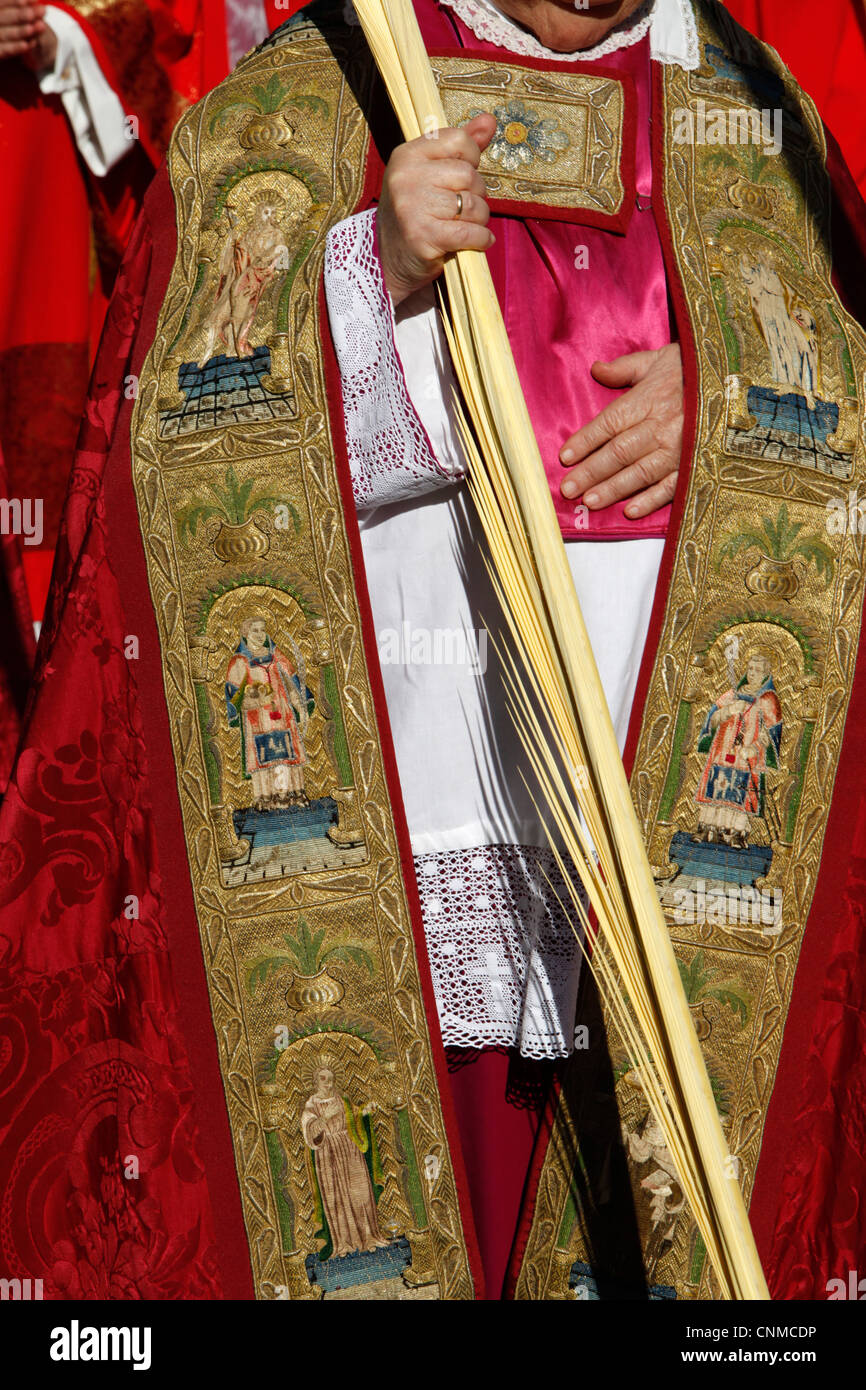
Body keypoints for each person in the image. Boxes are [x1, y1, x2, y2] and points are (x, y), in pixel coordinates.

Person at [1, 0, 865, 1302]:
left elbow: (839, 373)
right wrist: (365, 271)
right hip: (421, 791)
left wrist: (744, 393)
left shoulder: (744, 103)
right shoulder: (311, 96)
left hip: (668, 806)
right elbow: (164, 460)